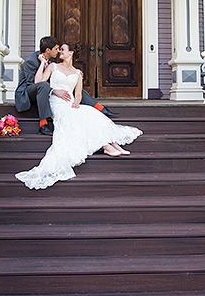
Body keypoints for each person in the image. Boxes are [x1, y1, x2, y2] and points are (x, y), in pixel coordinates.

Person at [15, 43, 142, 189]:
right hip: (57, 103)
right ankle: (105, 145)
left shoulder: (77, 73)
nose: (60, 52)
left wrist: (76, 102)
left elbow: (79, 93)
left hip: (70, 103)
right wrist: (43, 64)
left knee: (91, 114)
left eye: (63, 50)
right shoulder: (53, 67)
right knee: (75, 118)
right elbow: (39, 82)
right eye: (59, 49)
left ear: (71, 53)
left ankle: (112, 143)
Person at [16, 36, 118, 135]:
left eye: (60, 49)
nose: (59, 51)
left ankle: (99, 107)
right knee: (43, 86)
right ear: (48, 50)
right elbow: (35, 84)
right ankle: (43, 124)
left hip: (45, 89)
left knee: (70, 85)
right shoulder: (31, 61)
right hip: (28, 92)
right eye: (56, 49)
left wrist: (75, 75)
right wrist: (54, 90)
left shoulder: (53, 59)